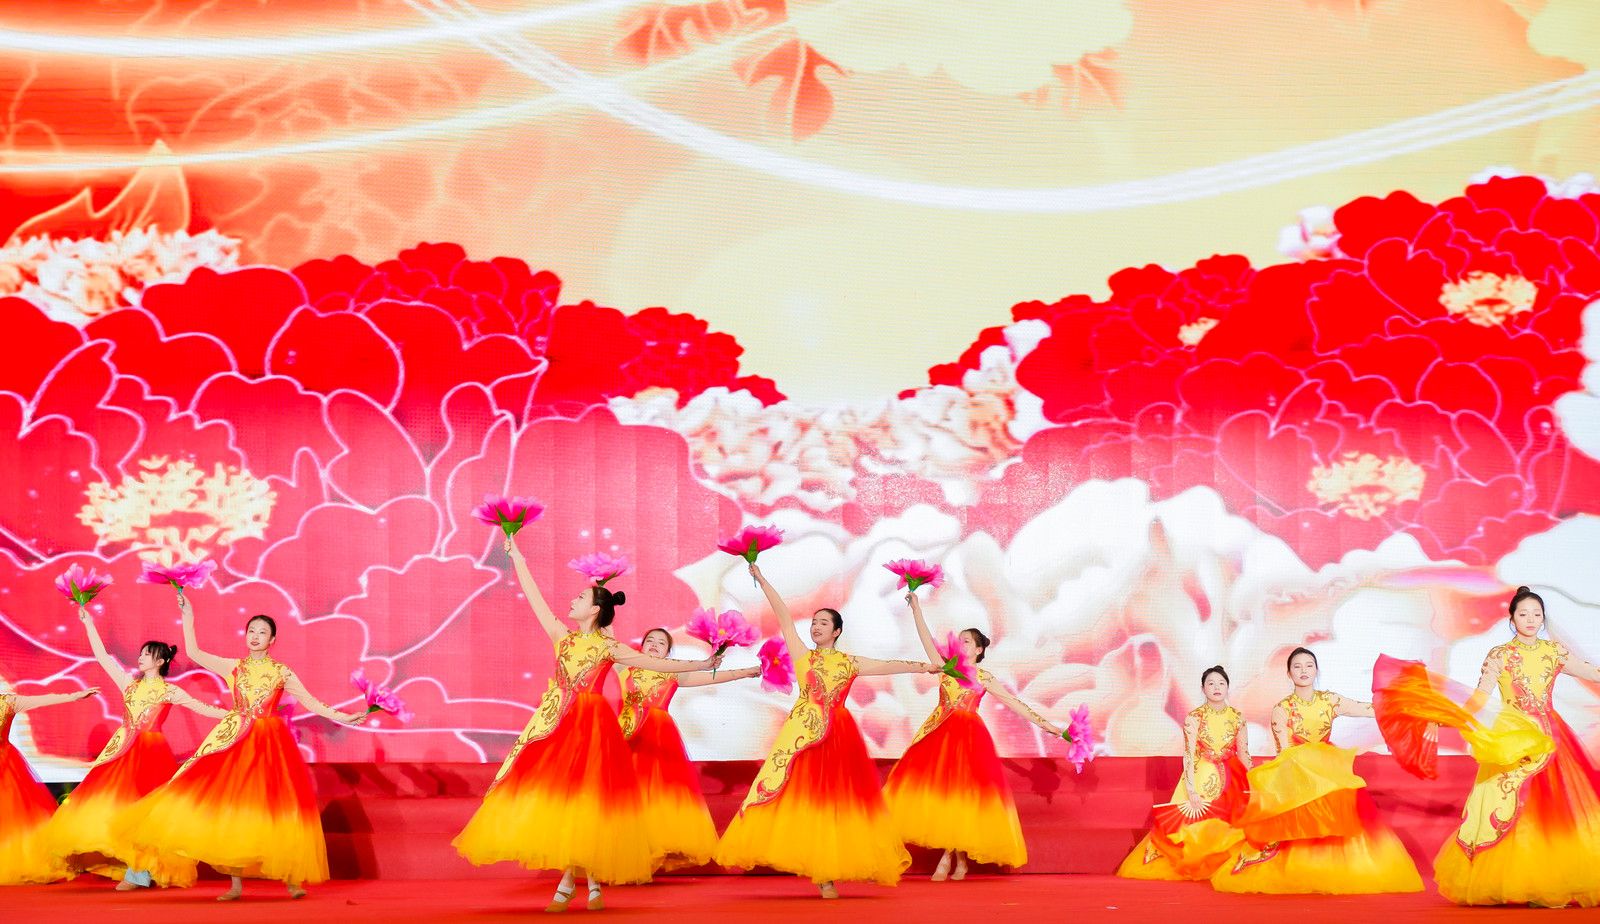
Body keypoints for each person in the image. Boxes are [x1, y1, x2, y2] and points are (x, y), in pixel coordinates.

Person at [453, 537, 723, 913]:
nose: (572, 601)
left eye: (580, 598)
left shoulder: (608, 647)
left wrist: (702, 664)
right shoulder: (561, 638)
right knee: (562, 803)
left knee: (586, 802)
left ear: (595, 609)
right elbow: (534, 598)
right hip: (558, 724)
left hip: (592, 728)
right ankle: (589, 882)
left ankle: (568, 885)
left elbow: (657, 664)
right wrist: (519, 558)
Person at [119, 594, 367, 901]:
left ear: (272, 640)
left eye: (262, 632)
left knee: (276, 807)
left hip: (270, 746)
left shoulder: (281, 672)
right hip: (236, 741)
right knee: (232, 809)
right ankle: (235, 885)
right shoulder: (234, 667)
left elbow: (311, 702)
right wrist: (188, 615)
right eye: (251, 631)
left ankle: (292, 881)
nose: (255, 636)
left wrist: (345, 717)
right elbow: (194, 652)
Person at [714, 562, 935, 898]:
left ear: (836, 631)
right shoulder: (803, 656)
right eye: (815, 622)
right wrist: (762, 578)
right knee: (802, 797)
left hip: (839, 736)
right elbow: (784, 615)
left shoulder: (850, 662)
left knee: (837, 801)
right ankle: (821, 873)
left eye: (823, 623)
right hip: (802, 735)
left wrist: (927, 666)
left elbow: (891, 665)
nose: (816, 627)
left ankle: (830, 868)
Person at [1428, 587, 1600, 907]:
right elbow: (1479, 698)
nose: (1531, 619)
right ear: (1512, 618)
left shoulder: (1554, 651)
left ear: (1543, 618)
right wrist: (1445, 718)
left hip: (1551, 739)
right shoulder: (1500, 655)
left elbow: (1591, 672)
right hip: (1513, 739)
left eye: (1537, 614)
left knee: (1554, 809)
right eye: (1524, 614)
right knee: (1510, 805)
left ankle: (1552, 881)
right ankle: (1519, 881)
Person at [1211, 646, 1422, 894]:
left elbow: (1368, 709)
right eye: (1297, 666)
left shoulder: (1329, 700)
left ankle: (1339, 872)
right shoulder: (1282, 708)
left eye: (1309, 666)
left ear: (1316, 670)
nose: (1304, 671)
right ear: (1289, 673)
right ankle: (1300, 871)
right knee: (1300, 823)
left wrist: (1402, 706)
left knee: (1342, 813)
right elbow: (1284, 752)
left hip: (1328, 769)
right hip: (1297, 772)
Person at [45, 605, 227, 889]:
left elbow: (203, 708)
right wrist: (89, 623)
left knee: (144, 812)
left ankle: (139, 872)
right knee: (116, 807)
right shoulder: (129, 685)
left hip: (151, 754)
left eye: (146, 654)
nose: (140, 658)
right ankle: (134, 868)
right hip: (123, 751)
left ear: (161, 660)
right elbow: (103, 657)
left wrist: (235, 715)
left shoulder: (169, 690)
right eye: (141, 653)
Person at [883, 592, 1062, 880]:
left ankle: (948, 858)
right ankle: (958, 860)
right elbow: (927, 640)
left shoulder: (984, 677)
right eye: (960, 640)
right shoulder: (946, 668)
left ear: (978, 650)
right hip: (940, 736)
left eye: (966, 641)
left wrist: (1048, 726)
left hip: (968, 740)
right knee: (945, 798)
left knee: (961, 798)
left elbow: (1015, 703)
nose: (960, 643)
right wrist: (916, 609)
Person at [620, 627, 759, 871]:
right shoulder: (624, 670)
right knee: (626, 793)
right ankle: (624, 850)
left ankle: (650, 851)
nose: (654, 644)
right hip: (627, 736)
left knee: (657, 793)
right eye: (649, 640)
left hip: (658, 738)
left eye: (661, 643)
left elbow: (713, 677)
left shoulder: (674, 674)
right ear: (641, 646)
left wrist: (745, 672)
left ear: (668, 652)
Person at [1117, 665, 1251, 881]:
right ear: (1203, 688)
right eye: (1211, 683)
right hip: (1201, 774)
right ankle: (1199, 866)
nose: (1216, 687)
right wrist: (1191, 789)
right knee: (1196, 823)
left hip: (1232, 776)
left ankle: (1221, 866)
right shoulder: (1194, 717)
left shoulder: (1237, 717)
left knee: (1231, 824)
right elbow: (1188, 755)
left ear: (1228, 687)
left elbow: (1244, 752)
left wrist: (1251, 782)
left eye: (1221, 683)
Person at [0, 683, 99, 884]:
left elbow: (43, 699)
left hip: (5, 766)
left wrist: (74, 696)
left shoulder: (8, 701)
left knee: (11, 814)